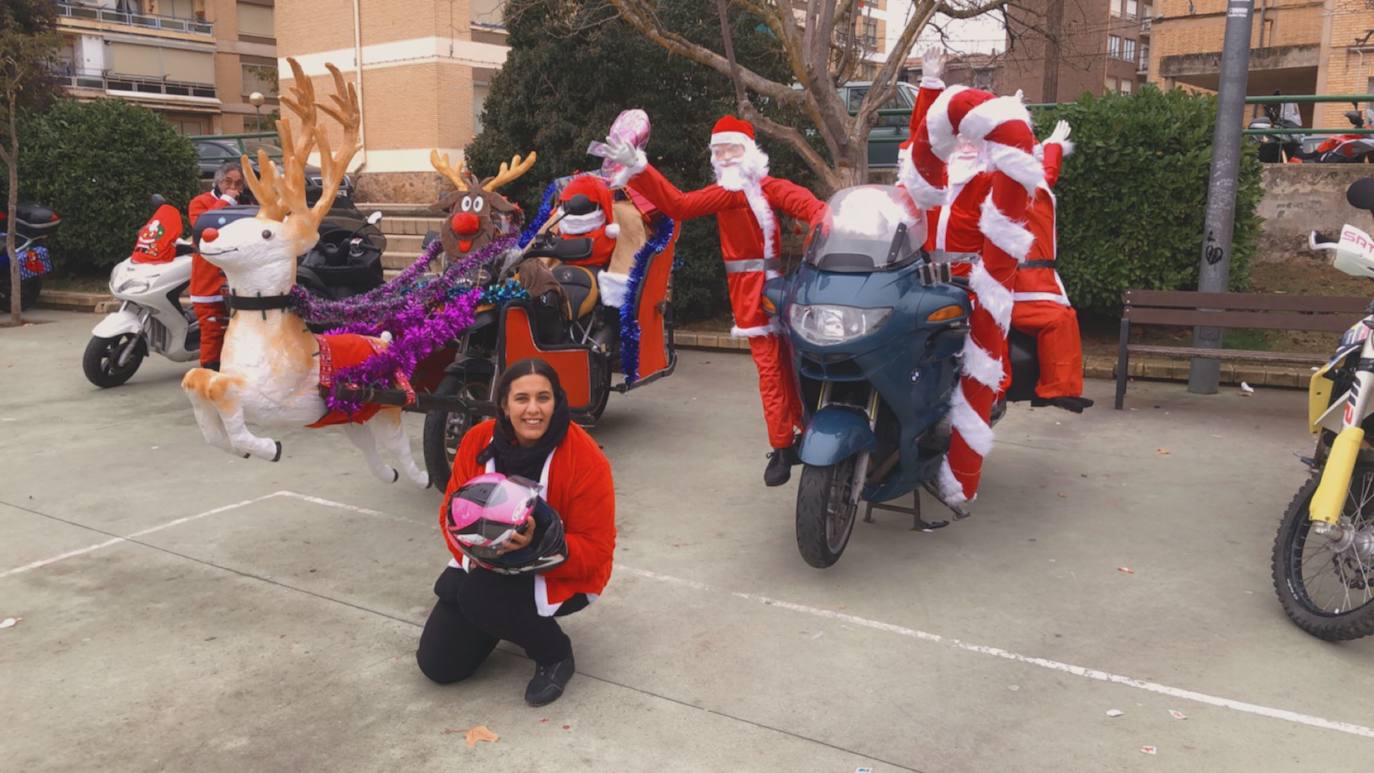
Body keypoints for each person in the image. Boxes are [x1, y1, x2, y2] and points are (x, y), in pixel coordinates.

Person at [602, 115, 827, 486]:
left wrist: (828, 224)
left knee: (794, 363)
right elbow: (679, 205)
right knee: (772, 369)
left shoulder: (766, 187)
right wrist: (640, 167)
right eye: (717, 151)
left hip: (785, 290)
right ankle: (783, 444)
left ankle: (803, 431)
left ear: (749, 152)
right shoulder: (728, 193)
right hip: (753, 295)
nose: (723, 157)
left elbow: (807, 204)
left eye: (731, 149)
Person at [417, 358, 616, 707]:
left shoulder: (585, 458)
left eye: (544, 397)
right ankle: (502, 616)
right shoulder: (477, 440)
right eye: (522, 399)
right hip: (486, 567)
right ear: (505, 406)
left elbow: (597, 550)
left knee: (479, 596)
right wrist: (477, 553)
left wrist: (539, 544)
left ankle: (555, 654)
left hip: (558, 571)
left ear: (558, 401)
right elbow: (449, 514)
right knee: (439, 665)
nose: (533, 409)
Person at [897, 45, 1043, 514]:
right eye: (956, 138)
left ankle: (969, 418)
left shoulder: (990, 179)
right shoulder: (933, 176)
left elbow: (1017, 205)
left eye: (970, 139)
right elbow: (917, 141)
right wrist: (931, 85)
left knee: (975, 355)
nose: (962, 145)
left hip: (968, 280)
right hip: (920, 273)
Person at [1010, 121, 1093, 414]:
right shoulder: (1016, 186)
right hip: (1023, 279)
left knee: (1060, 320)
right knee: (1058, 320)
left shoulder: (1030, 188)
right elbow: (1047, 174)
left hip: (1027, 276)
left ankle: (1057, 387)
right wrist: (1052, 147)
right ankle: (1055, 387)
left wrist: (1052, 147)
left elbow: (1047, 174)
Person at [188, 161, 244, 370]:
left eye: (238, 184)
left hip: (236, 281)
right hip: (208, 279)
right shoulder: (200, 202)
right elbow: (202, 226)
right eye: (228, 182)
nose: (233, 187)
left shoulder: (243, 205)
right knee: (212, 331)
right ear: (217, 182)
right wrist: (226, 201)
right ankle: (209, 376)